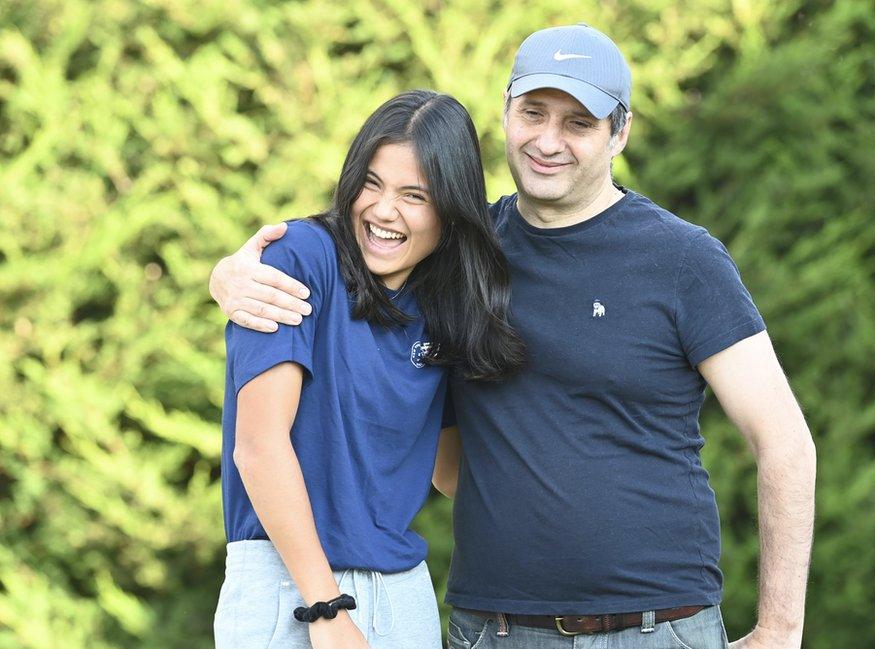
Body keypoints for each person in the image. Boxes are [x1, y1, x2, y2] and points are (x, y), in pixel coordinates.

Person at [211, 25, 817, 649]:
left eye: (578, 123)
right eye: (533, 113)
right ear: (506, 112)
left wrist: (779, 629)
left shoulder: (684, 260)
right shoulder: (457, 255)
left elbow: (785, 443)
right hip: (494, 630)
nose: (548, 141)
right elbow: (356, 259)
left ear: (620, 133)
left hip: (657, 627)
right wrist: (230, 277)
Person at [212, 89, 523, 649]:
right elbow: (258, 446)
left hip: (403, 597)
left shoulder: (445, 309)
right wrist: (326, 607)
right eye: (372, 183)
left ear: (451, 212)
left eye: (414, 195)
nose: (383, 210)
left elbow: (450, 473)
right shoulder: (299, 258)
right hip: (289, 587)